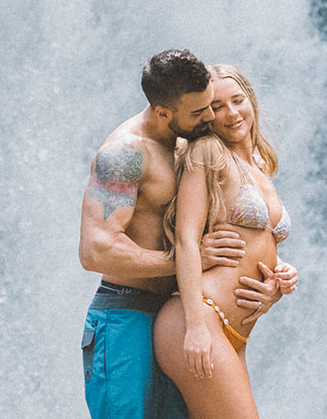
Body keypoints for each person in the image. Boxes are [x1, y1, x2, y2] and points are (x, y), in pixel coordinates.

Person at [79, 50, 289, 419]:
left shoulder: (191, 147)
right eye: (200, 112)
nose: (211, 117)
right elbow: (95, 250)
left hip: (177, 307)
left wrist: (271, 275)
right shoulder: (125, 153)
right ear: (163, 112)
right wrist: (183, 259)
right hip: (128, 313)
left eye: (212, 106)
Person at [153, 65, 294, 419]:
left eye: (237, 100)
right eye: (217, 107)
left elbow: (257, 244)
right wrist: (196, 328)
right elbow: (187, 239)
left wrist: (279, 279)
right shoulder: (208, 153)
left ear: (251, 101)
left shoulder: (260, 164)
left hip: (235, 330)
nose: (231, 113)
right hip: (198, 318)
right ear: (205, 116)